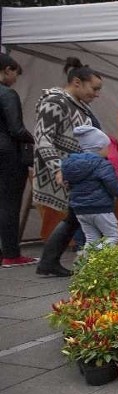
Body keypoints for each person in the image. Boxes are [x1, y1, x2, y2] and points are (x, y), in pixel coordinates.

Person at [34, 57, 104, 277]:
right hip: (66, 170)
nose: (97, 94)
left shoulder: (77, 105)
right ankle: (50, 262)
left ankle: (49, 262)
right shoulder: (55, 101)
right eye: (94, 88)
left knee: (75, 215)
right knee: (76, 215)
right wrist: (57, 168)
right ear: (77, 82)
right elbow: (43, 137)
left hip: (76, 170)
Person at [0, 53, 38, 267]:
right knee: (9, 204)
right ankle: (11, 253)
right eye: (15, 74)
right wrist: (33, 139)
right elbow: (16, 128)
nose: (15, 79)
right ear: (7, 70)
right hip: (8, 154)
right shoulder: (7, 94)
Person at [61, 126, 118, 252]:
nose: (108, 150)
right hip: (101, 208)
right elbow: (112, 184)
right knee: (113, 237)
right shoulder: (102, 164)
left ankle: (85, 263)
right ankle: (96, 257)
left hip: (80, 209)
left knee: (91, 240)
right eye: (107, 147)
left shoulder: (70, 164)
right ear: (99, 147)